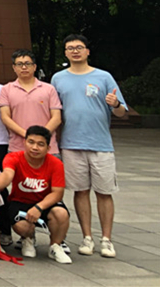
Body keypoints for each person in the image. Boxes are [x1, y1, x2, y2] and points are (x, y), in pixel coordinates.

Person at [51, 34, 128, 259]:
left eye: (79, 47)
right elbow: (55, 110)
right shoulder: (58, 79)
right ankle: (87, 237)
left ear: (87, 51)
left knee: (104, 192)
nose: (75, 51)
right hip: (71, 144)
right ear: (65, 53)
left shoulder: (103, 77)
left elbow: (121, 112)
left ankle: (106, 239)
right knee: (80, 191)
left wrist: (116, 104)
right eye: (70, 48)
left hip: (100, 144)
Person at [0, 125, 72, 264]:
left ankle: (55, 245)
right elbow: (7, 174)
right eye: (31, 142)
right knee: (22, 226)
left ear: (48, 148)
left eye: (40, 144)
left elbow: (57, 193)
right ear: (24, 142)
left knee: (61, 214)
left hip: (45, 202)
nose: (35, 147)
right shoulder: (13, 157)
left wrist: (39, 207)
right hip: (20, 202)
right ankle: (28, 238)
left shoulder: (56, 163)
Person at [0, 49, 62, 155]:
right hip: (18, 148)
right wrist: (28, 135)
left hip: (48, 148)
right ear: (14, 67)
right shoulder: (6, 89)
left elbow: (56, 118)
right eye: (19, 64)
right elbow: (5, 118)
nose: (24, 67)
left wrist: (41, 136)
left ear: (34, 67)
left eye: (27, 64)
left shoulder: (49, 89)